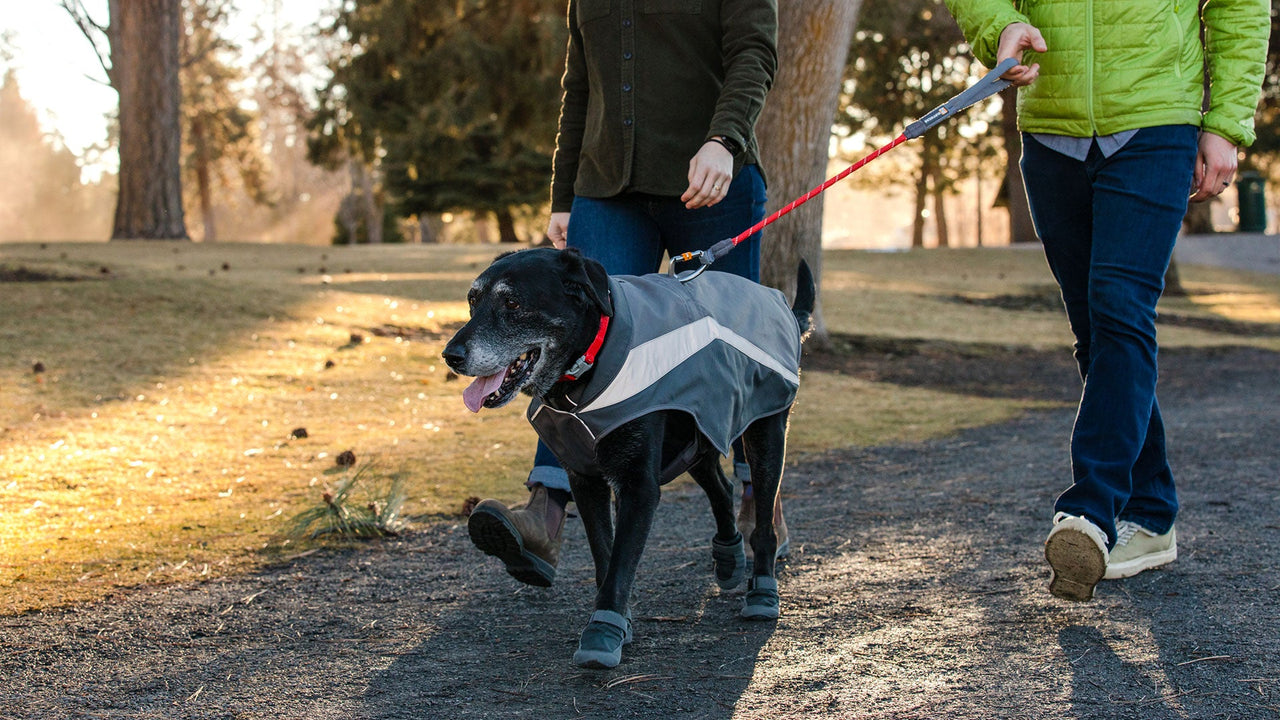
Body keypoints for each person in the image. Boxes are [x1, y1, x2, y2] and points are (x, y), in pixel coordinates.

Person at [943, 0, 1269, 601]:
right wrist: (1000, 27)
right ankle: (1152, 512)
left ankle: (1089, 510)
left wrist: (1225, 122)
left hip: (1156, 122)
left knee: (1121, 308)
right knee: (1096, 330)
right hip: (1052, 131)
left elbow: (1239, 7)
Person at [466, 0, 788, 587]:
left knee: (736, 355)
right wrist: (564, 195)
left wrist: (725, 139)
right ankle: (546, 509)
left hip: (711, 182)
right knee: (571, 343)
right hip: (606, 190)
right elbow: (580, 88)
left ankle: (756, 499)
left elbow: (754, 52)